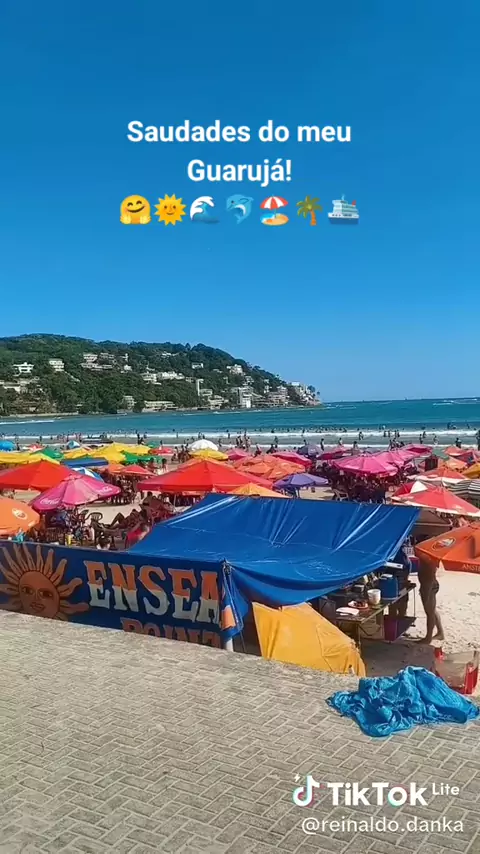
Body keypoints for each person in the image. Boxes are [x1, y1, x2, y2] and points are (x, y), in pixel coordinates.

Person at [417, 558, 444, 644]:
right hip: (429, 583)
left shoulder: (427, 557)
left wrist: (426, 591)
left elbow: (430, 573)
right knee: (432, 610)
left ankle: (428, 638)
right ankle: (440, 633)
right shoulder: (429, 555)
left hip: (428, 584)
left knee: (430, 612)